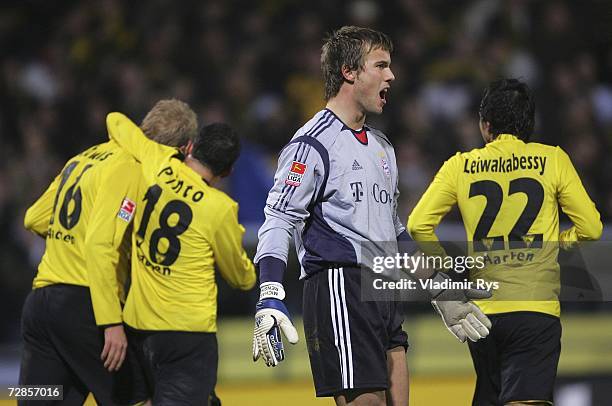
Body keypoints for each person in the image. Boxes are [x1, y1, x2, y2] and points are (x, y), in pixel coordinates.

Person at [408, 78, 603, 406]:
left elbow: (418, 225)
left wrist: (450, 269)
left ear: (486, 126)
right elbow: (591, 227)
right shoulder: (553, 159)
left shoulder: (461, 166)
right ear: (529, 124)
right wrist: (558, 243)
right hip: (535, 309)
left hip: (481, 312)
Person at [252, 26, 409, 406]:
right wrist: (270, 291)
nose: (391, 76)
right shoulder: (313, 143)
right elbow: (278, 217)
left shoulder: (383, 147)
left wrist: (440, 288)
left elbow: (395, 229)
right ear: (349, 72)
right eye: (381, 65)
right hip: (342, 286)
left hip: (384, 286)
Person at [21, 99, 197, 405]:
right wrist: (110, 323)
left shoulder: (85, 157)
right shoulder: (131, 168)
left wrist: (70, 239)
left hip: (41, 305)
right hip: (86, 305)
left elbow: (34, 217)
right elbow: (100, 245)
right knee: (138, 398)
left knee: (40, 398)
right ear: (186, 148)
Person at [105, 111, 256, 405]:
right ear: (227, 172)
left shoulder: (155, 161)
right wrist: (252, 272)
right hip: (187, 337)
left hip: (138, 328)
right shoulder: (219, 208)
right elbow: (240, 277)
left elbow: (115, 120)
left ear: (190, 147)